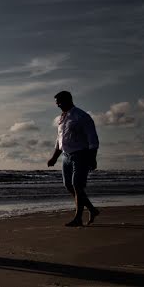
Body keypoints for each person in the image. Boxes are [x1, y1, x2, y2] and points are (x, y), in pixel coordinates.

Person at [46, 90, 101, 227]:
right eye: (56, 103)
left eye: (59, 102)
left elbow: (93, 140)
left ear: (68, 100)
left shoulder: (81, 116)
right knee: (69, 186)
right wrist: (53, 158)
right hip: (66, 156)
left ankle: (78, 218)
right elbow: (59, 141)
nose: (58, 105)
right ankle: (92, 209)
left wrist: (92, 158)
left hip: (81, 155)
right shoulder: (61, 118)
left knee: (77, 185)